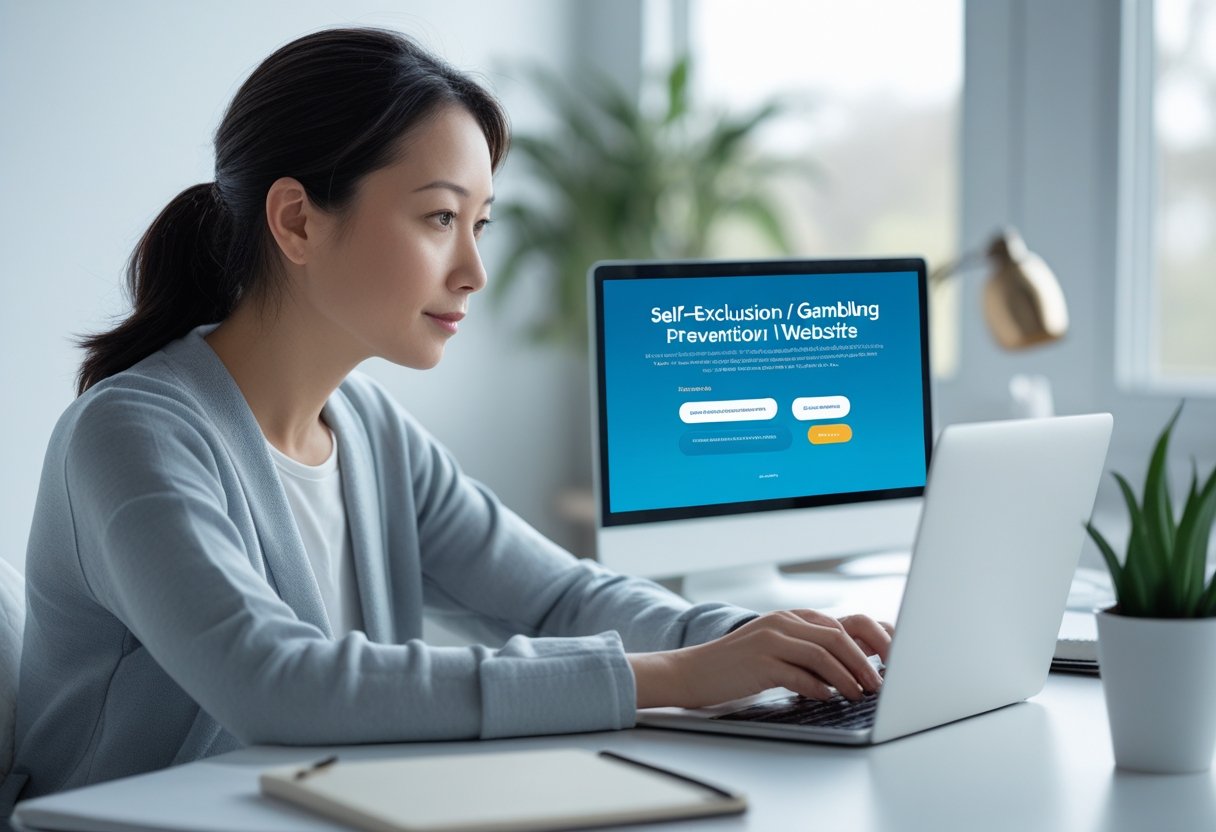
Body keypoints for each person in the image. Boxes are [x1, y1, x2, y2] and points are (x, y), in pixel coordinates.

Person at [8, 27, 890, 802]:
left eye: (482, 224)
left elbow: (556, 598)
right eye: (439, 217)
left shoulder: (371, 432)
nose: (473, 269)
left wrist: (757, 640)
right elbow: (275, 683)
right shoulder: (130, 436)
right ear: (297, 222)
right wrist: (674, 676)